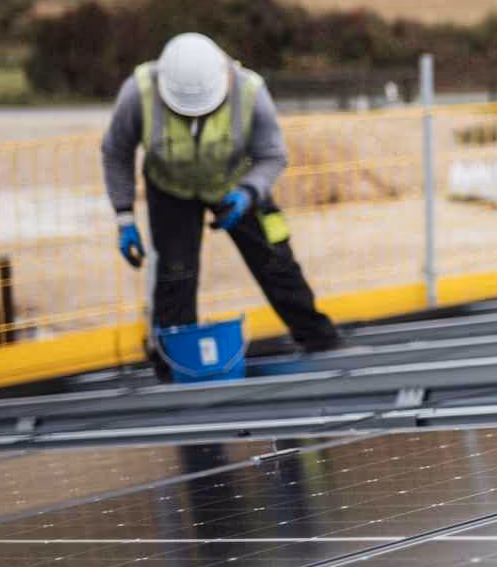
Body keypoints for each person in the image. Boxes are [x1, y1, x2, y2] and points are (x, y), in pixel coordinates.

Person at [101, 32, 340, 372]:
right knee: (175, 274)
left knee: (276, 260)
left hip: (238, 185)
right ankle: (174, 363)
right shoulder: (138, 92)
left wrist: (248, 193)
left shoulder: (250, 91)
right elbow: (116, 152)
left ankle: (319, 339)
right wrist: (124, 216)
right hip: (171, 190)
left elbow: (272, 155)